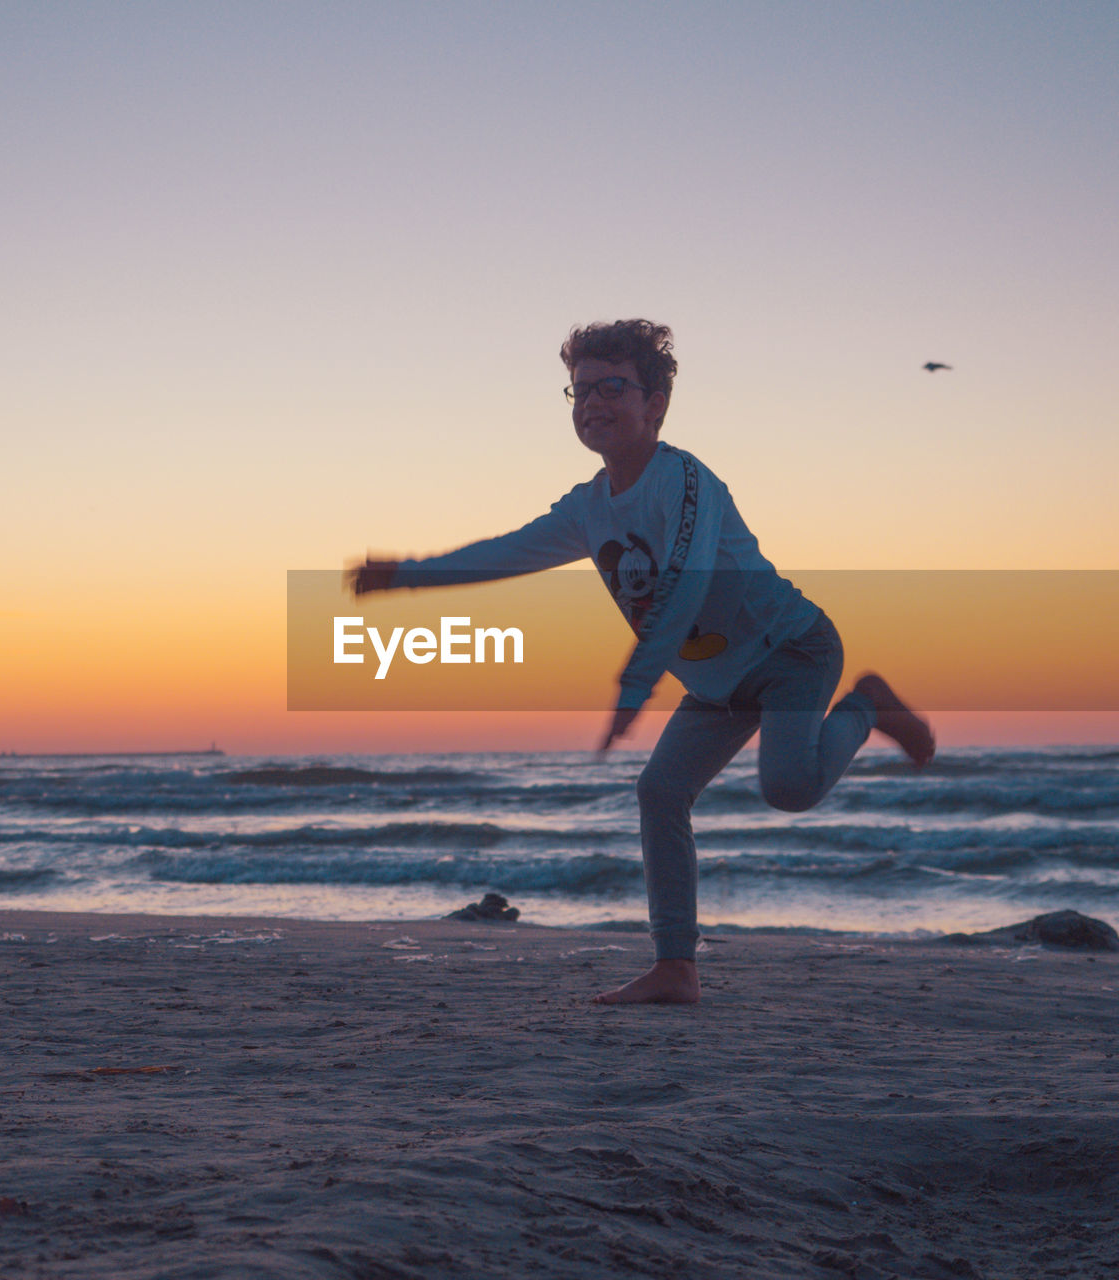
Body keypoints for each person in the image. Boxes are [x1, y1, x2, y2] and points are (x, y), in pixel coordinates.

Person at [353, 320, 934, 1005]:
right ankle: (676, 968)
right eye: (579, 391)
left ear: (655, 403)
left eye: (611, 387)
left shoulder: (683, 481)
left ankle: (867, 704)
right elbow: (509, 552)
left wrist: (635, 683)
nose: (592, 403)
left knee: (788, 788)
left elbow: (687, 586)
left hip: (791, 653)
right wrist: (408, 577)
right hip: (717, 684)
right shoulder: (587, 508)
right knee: (659, 791)